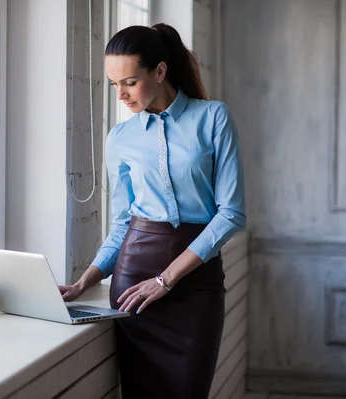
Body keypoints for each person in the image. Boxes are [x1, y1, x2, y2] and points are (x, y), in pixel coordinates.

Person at [59, 23, 246, 398]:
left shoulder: (213, 118)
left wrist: (166, 279)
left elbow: (231, 213)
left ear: (160, 71)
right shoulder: (120, 138)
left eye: (128, 82)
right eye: (114, 85)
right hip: (135, 287)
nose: (121, 95)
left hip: (195, 284)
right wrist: (86, 281)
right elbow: (123, 224)